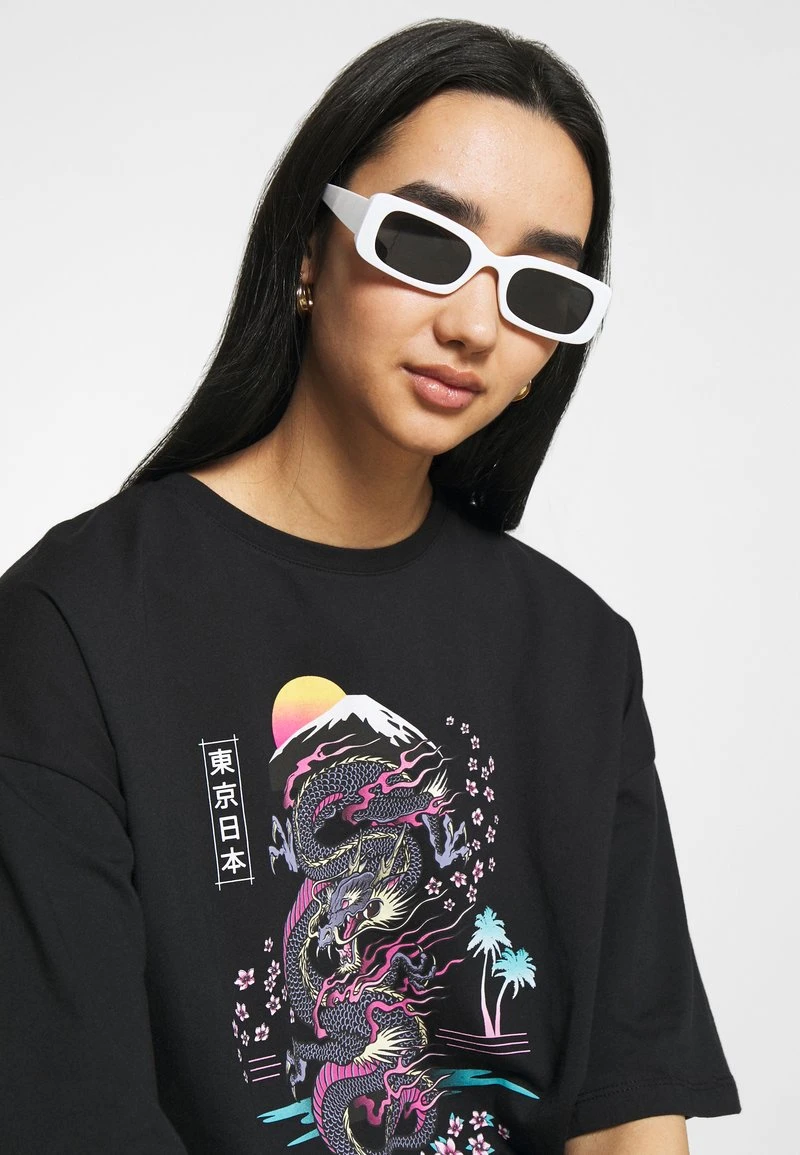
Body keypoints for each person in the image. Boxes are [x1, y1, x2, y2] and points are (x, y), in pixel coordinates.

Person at [0, 16, 741, 1155]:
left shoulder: (579, 650)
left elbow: (628, 1110)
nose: (473, 324)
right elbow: (67, 1109)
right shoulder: (77, 621)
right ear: (309, 250)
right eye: (426, 244)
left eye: (539, 290)